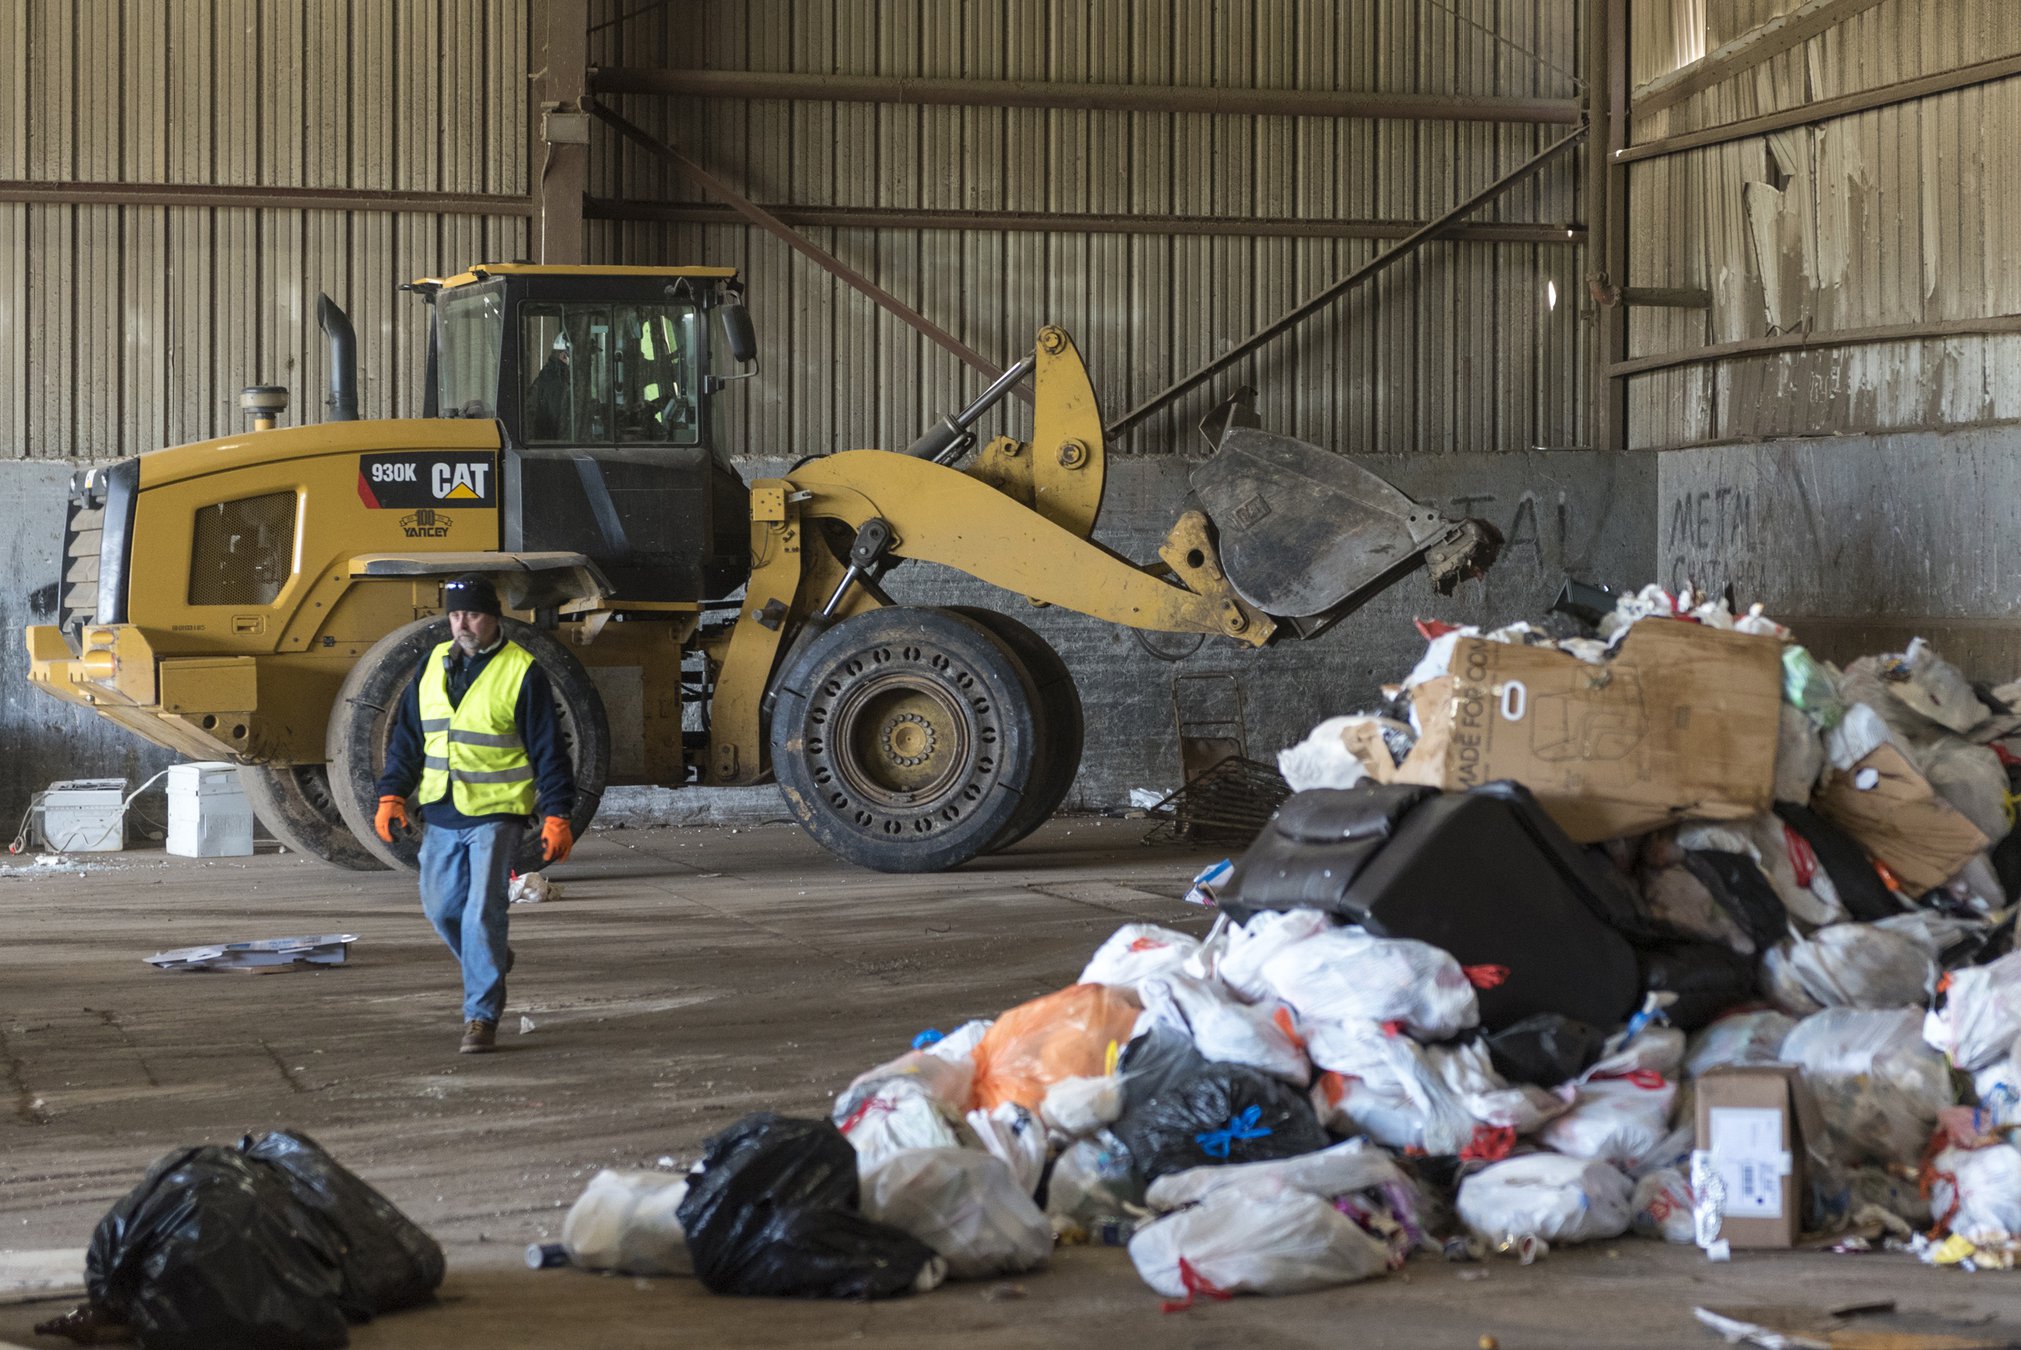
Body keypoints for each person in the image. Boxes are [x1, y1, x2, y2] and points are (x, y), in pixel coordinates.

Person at [374, 575, 576, 1054]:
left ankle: (480, 1018)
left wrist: (557, 814)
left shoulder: (522, 672)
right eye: (455, 614)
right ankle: (491, 959)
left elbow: (549, 749)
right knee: (442, 909)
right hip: (443, 810)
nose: (462, 624)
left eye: (473, 614)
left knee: (482, 913)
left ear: (495, 618)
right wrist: (391, 795)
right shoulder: (431, 667)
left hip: (498, 812)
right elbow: (407, 740)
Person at [527, 333, 570, 440]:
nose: (591, 362)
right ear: (563, 356)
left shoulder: (552, 378)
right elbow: (558, 419)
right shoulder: (554, 382)